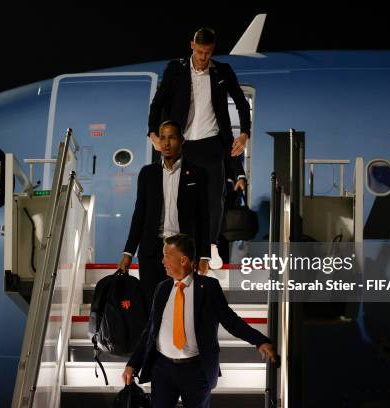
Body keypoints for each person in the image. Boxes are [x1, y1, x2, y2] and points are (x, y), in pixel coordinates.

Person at [121, 234, 278, 408]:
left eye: (167, 255)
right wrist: (133, 364)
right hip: (162, 369)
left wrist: (259, 341)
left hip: (196, 371)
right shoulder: (162, 288)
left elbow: (230, 321)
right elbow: (150, 330)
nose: (162, 260)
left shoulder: (209, 287)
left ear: (183, 260)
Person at [147, 27, 251, 270]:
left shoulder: (222, 71)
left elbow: (240, 103)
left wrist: (245, 133)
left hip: (212, 143)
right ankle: (177, 246)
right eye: (201, 52)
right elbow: (158, 102)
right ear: (192, 45)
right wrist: (153, 132)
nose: (204, 57)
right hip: (182, 144)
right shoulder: (176, 70)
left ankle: (211, 246)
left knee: (214, 197)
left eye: (209, 53)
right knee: (177, 197)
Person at [118, 120, 211, 305]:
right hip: (151, 251)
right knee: (151, 305)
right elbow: (139, 215)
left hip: (182, 250)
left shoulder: (198, 173)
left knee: (181, 305)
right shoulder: (147, 173)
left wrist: (203, 255)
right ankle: (152, 335)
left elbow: (203, 217)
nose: (167, 143)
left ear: (182, 140)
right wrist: (128, 252)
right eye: (163, 138)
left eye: (172, 138)